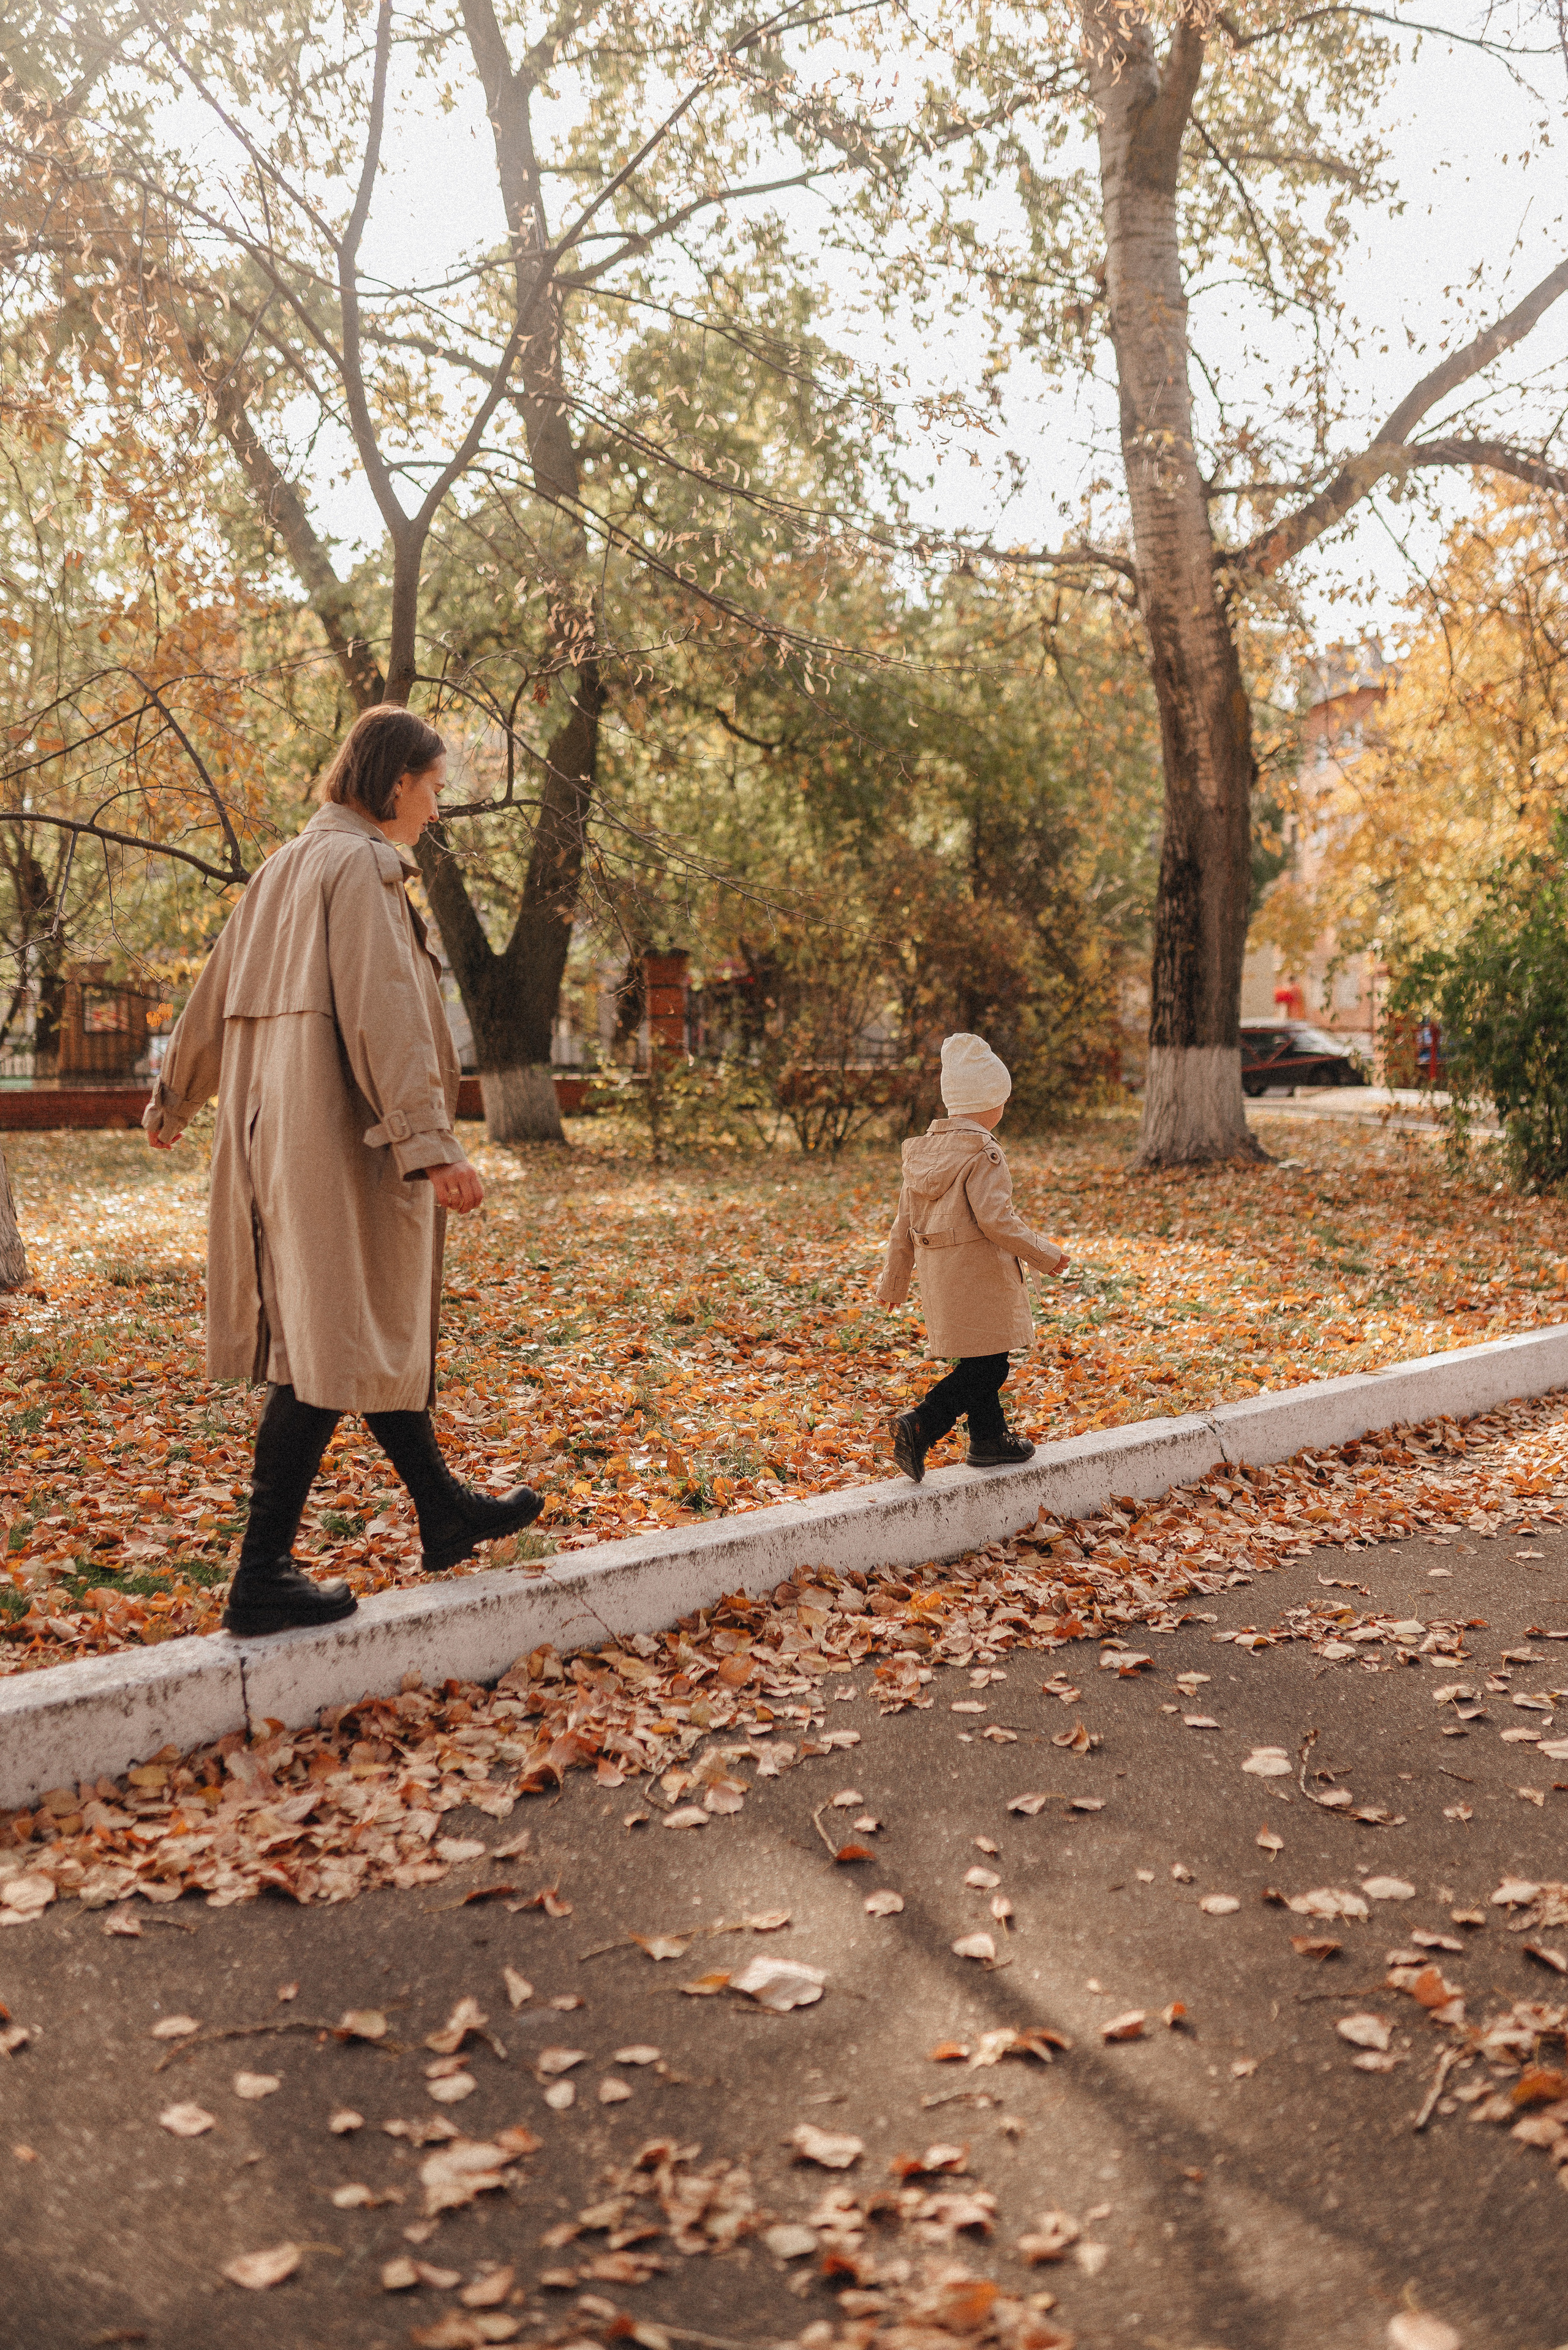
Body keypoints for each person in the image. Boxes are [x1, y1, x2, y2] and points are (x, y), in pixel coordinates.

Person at [143, 706, 542, 1635]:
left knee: (342, 1330)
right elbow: (385, 1014)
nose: (437, 811)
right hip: (337, 1138)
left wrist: (176, 1095)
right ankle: (260, 1576)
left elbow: (208, 995)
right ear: (397, 780)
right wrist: (432, 1145)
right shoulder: (362, 867)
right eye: (435, 789)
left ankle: (441, 1509)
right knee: (322, 1351)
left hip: (274, 1139)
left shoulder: (285, 866)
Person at [877, 1032, 1070, 1482]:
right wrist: (1046, 1254)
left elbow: (902, 1223)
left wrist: (893, 1282)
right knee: (991, 1364)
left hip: (942, 1277)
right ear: (990, 1102)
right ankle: (922, 1423)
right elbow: (997, 1220)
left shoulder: (922, 1154)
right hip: (981, 1277)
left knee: (980, 1359)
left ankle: (988, 1440)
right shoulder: (985, 1153)